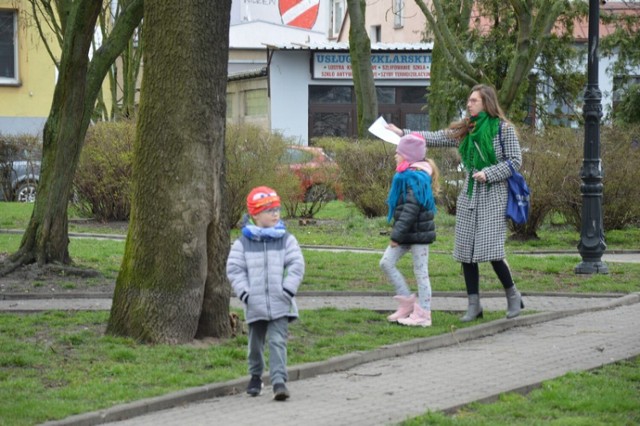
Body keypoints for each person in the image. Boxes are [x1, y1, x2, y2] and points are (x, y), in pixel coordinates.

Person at [387, 84, 524, 322]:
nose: (469, 104)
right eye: (469, 101)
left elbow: (515, 161)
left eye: (474, 101)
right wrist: (405, 133)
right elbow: (438, 137)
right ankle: (474, 305)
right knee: (466, 252)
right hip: (470, 195)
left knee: (492, 250)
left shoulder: (503, 129)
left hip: (494, 194)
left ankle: (513, 296)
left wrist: (489, 173)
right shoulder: (466, 129)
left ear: (486, 103)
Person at [226, 186, 305, 401]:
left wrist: (288, 289)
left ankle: (279, 381)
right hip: (255, 303)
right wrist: (245, 294)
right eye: (269, 210)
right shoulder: (243, 243)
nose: (275, 214)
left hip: (281, 302)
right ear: (255, 214)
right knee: (255, 343)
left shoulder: (286, 239)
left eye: (277, 209)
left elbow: (296, 264)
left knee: (278, 341)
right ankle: (255, 376)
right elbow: (234, 269)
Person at [380, 133, 439, 327]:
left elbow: (411, 209)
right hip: (407, 233)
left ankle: (423, 314)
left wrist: (397, 235)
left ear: (408, 155)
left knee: (421, 273)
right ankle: (406, 302)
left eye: (398, 152)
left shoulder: (417, 178)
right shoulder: (405, 175)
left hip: (417, 234)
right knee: (386, 262)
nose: (395, 156)